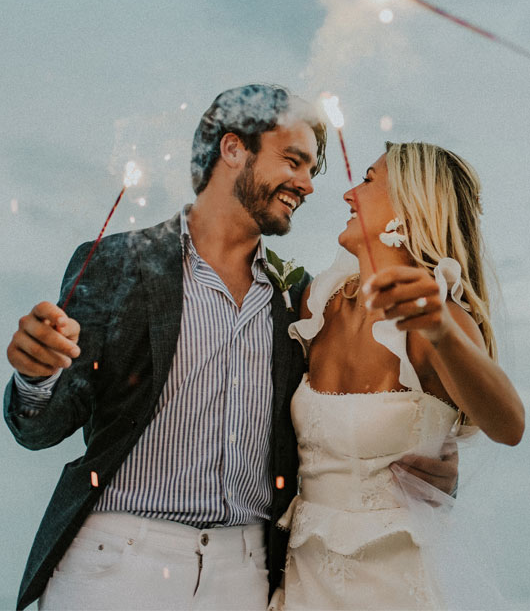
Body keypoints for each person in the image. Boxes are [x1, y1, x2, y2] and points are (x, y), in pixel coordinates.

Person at [5, 87, 456, 611]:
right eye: (293, 161)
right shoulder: (116, 263)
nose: (308, 185)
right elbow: (38, 429)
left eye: (313, 169)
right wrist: (35, 377)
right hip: (115, 564)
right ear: (233, 149)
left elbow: (341, 414)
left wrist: (426, 457)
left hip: (244, 573)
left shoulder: (301, 299)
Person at [270, 142, 524, 611]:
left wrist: (440, 329)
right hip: (303, 576)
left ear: (410, 207)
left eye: (367, 180)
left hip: (392, 583)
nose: (349, 193)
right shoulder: (318, 304)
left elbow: (509, 426)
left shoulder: (441, 319)